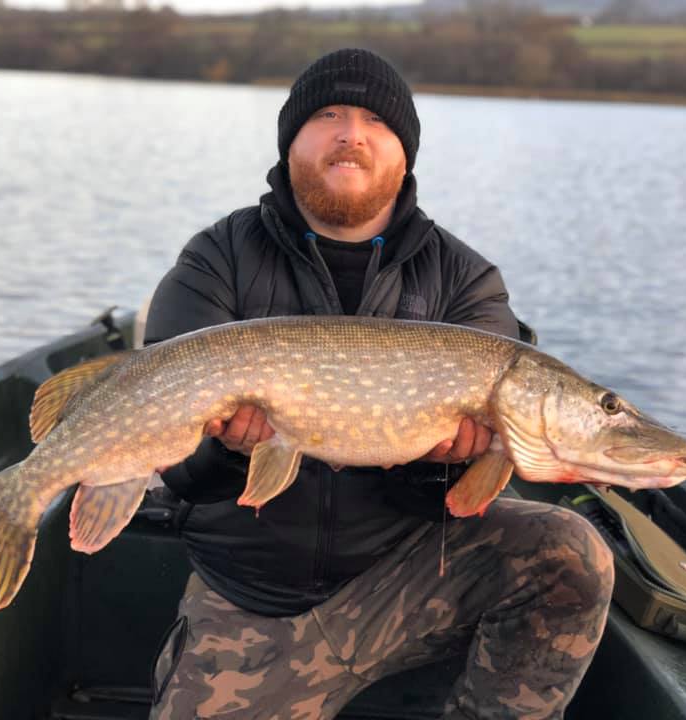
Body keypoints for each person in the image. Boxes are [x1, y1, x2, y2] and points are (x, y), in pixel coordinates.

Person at [143, 48, 614, 720]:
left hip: (413, 576)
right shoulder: (218, 259)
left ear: (403, 152)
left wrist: (451, 465)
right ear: (291, 141)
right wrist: (228, 450)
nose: (350, 133)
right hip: (257, 600)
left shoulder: (465, 281)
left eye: (373, 120)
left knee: (572, 555)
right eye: (328, 114)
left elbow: (451, 501)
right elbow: (182, 476)